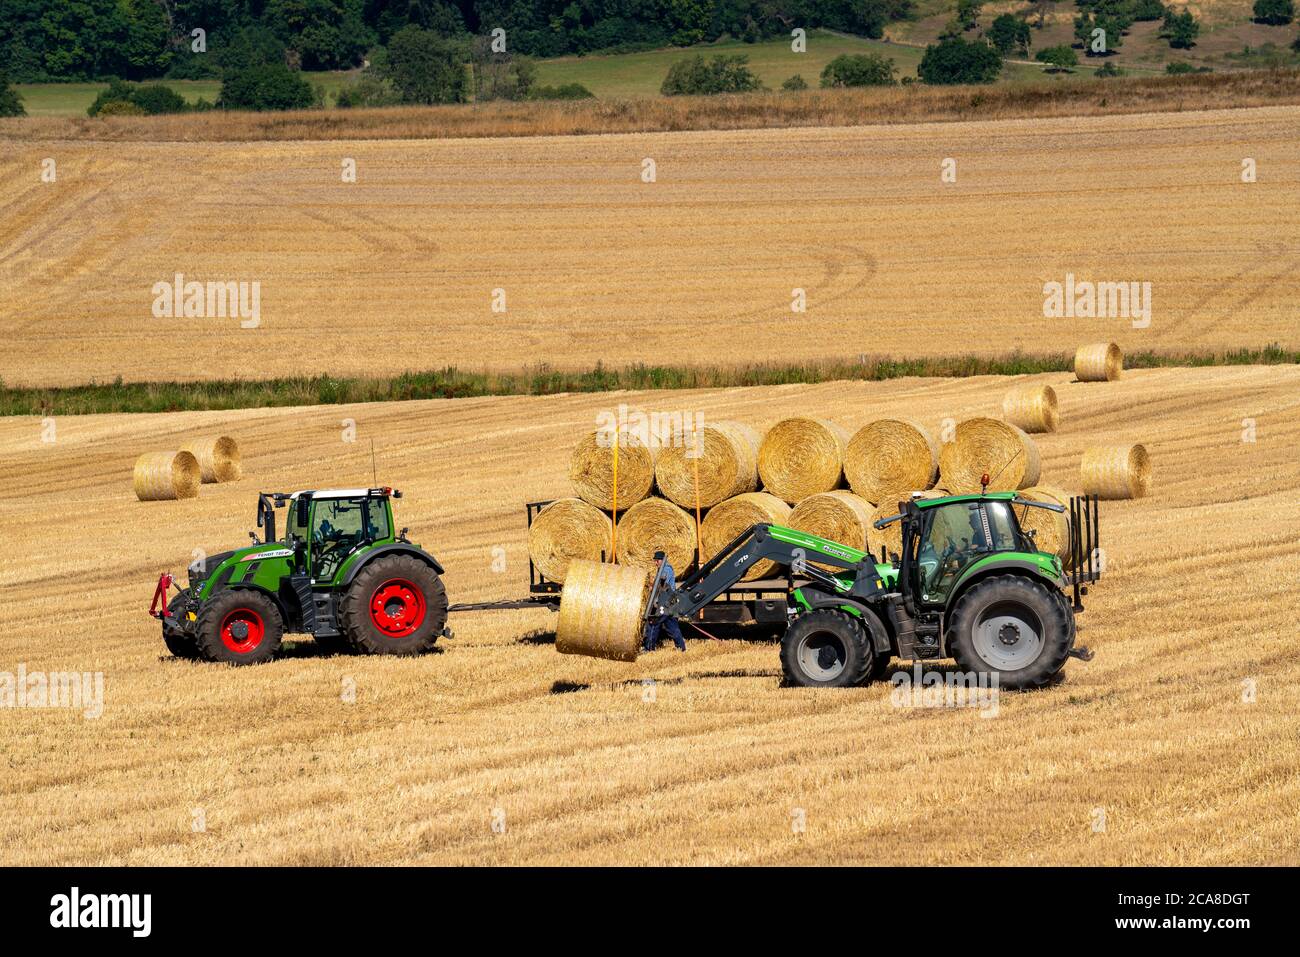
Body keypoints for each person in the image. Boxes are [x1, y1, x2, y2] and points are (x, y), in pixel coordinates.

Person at [643, 552, 686, 652]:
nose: (655, 563)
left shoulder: (666, 569)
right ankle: (681, 647)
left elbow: (662, 584)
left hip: (665, 602)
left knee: (653, 622)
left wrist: (651, 586)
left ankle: (649, 648)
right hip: (669, 602)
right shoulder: (663, 568)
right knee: (671, 626)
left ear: (662, 560)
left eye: (657, 561)